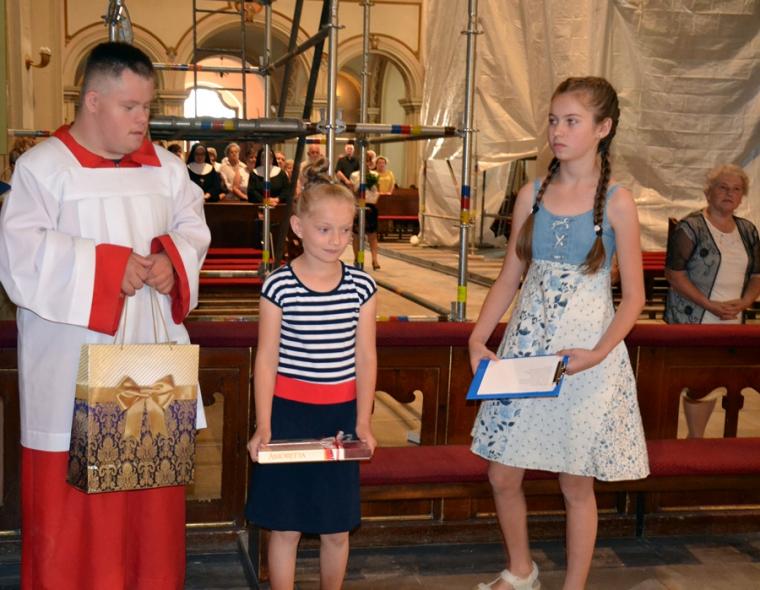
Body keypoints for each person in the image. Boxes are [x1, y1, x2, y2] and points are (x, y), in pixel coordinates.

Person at [0, 41, 210, 589]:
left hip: (151, 364)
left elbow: (194, 228)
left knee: (149, 514)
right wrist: (107, 268)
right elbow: (19, 256)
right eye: (130, 107)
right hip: (74, 367)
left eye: (147, 107)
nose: (143, 119)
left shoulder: (167, 170)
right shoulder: (44, 168)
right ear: (93, 101)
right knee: (75, 519)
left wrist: (172, 261)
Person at [468, 77, 649, 590]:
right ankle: (520, 570)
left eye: (572, 121)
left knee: (575, 481)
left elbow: (634, 298)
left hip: (583, 356)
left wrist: (598, 353)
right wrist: (477, 339)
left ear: (603, 128)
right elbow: (509, 277)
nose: (558, 131)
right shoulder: (532, 194)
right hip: (526, 349)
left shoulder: (617, 202)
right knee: (502, 472)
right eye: (553, 120)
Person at [246, 159, 377, 590]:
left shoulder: (361, 286)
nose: (336, 240)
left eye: (345, 230)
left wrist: (363, 421)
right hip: (289, 414)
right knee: (285, 526)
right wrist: (264, 424)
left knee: (336, 527)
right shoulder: (279, 285)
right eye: (324, 229)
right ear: (298, 227)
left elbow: (365, 357)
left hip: (338, 416)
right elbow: (267, 358)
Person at [664, 164, 760, 324]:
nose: (730, 193)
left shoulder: (748, 230)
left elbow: (757, 276)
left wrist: (745, 302)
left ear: (741, 197)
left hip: (734, 320)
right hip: (690, 321)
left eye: (736, 189)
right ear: (708, 193)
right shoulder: (690, 228)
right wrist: (709, 305)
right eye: (723, 187)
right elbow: (674, 275)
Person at [350, 150, 381, 270]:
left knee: (372, 235)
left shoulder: (375, 175)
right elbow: (354, 191)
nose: (366, 163)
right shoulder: (355, 175)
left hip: (370, 205)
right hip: (359, 206)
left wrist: (372, 184)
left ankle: (375, 260)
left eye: (368, 161)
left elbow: (378, 191)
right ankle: (358, 258)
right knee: (357, 235)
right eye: (364, 161)